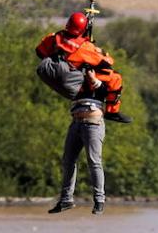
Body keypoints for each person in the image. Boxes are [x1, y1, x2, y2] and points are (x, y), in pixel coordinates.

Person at [35, 12, 130, 121]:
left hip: (55, 76)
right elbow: (107, 64)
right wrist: (102, 52)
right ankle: (112, 111)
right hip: (77, 84)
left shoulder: (53, 37)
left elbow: (39, 52)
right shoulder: (85, 48)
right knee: (116, 77)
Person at [49, 68, 108, 215]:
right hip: (75, 123)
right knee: (68, 160)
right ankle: (66, 199)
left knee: (94, 161)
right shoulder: (76, 79)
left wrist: (92, 78)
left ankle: (99, 200)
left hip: (93, 123)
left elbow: (104, 91)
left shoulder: (103, 77)